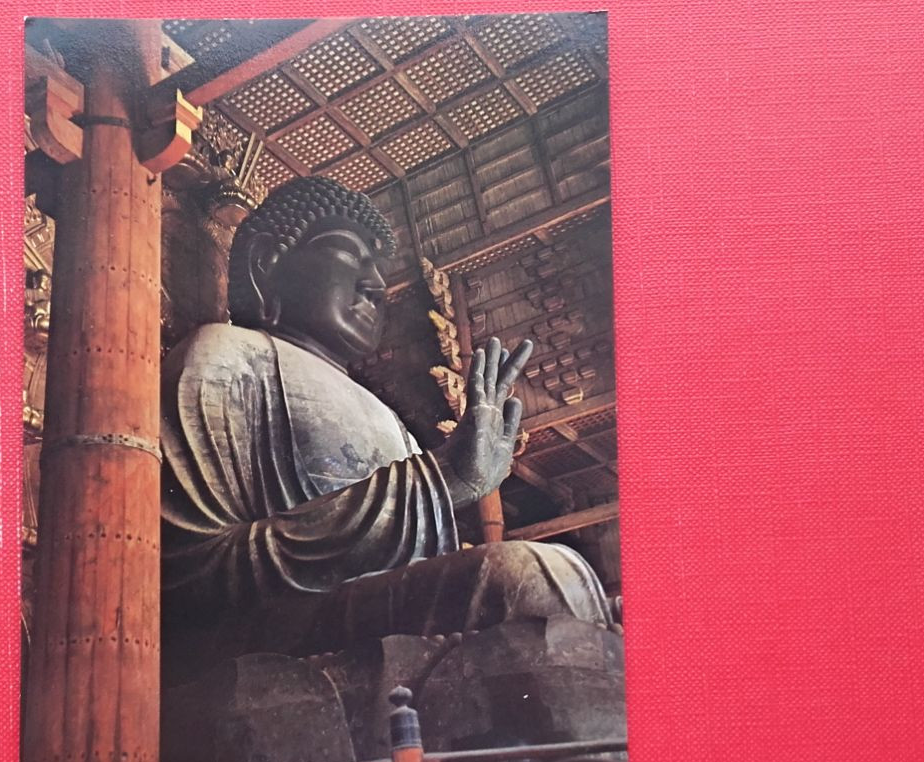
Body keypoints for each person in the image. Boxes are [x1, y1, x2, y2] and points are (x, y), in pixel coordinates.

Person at [160, 177, 613, 681]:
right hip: (277, 632)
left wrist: (447, 484)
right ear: (267, 262)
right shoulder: (227, 355)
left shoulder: (388, 418)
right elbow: (190, 571)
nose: (376, 284)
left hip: (380, 620)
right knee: (529, 578)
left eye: (379, 269)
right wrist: (438, 480)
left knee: (573, 593)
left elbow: (423, 570)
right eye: (350, 254)